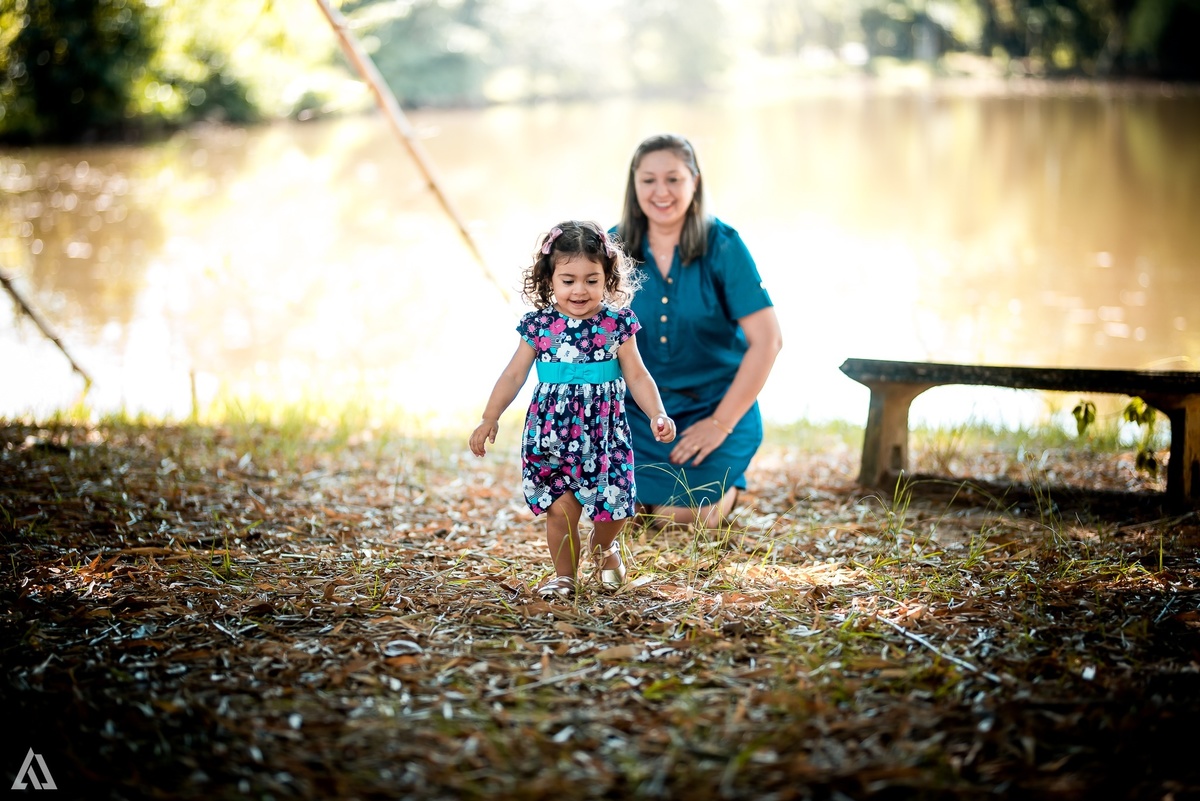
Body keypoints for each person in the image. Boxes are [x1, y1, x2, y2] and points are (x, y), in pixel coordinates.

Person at [469, 220, 677, 599]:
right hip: (552, 435)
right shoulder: (539, 326)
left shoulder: (617, 324)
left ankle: (604, 545)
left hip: (604, 436)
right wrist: (490, 416)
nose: (579, 290)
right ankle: (565, 576)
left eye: (591, 280)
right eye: (568, 280)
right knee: (561, 510)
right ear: (549, 279)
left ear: (607, 279)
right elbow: (514, 374)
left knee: (615, 505)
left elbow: (638, 374)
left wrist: (657, 413)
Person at [615, 134, 783, 529]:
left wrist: (720, 424)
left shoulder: (723, 246)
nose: (661, 192)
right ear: (634, 184)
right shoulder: (611, 248)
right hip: (636, 414)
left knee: (684, 518)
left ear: (695, 181)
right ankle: (649, 495)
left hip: (712, 408)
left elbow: (768, 341)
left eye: (673, 179)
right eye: (649, 180)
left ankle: (728, 485)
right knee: (619, 513)